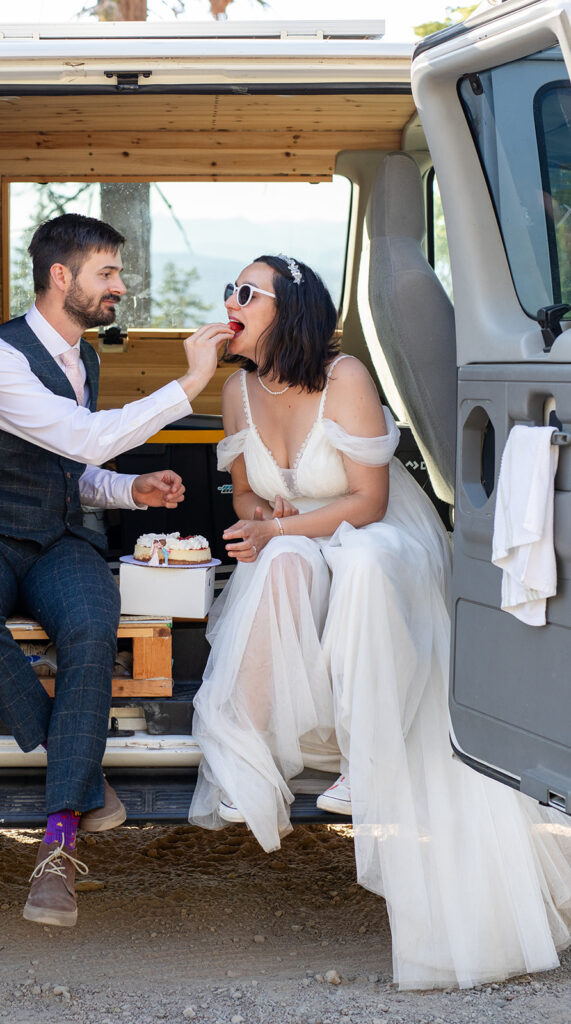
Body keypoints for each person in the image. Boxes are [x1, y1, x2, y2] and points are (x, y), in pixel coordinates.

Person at [189, 254, 571, 989]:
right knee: (281, 565)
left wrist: (283, 529)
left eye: (245, 291)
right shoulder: (236, 390)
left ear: (288, 307)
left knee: (356, 560)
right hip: (303, 539)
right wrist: (264, 521)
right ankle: (249, 759)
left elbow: (365, 503)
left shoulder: (345, 378)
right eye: (227, 288)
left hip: (385, 540)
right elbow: (242, 497)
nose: (228, 300)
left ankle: (366, 765)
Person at [0, 213, 232, 929]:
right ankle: (85, 778)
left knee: (94, 627)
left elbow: (74, 466)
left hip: (60, 538)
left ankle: (58, 846)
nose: (119, 288)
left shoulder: (83, 359)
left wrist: (131, 490)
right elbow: (79, 435)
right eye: (107, 273)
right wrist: (190, 383)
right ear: (60, 277)